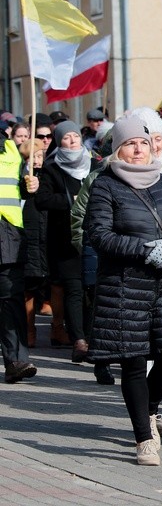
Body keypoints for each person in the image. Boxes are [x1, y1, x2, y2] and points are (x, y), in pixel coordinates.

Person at [84, 117, 162, 466]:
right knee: (133, 362)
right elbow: (99, 235)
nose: (138, 149)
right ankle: (143, 439)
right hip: (124, 286)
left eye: (144, 143)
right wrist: (145, 250)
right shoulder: (105, 186)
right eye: (130, 143)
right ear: (118, 149)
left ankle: (149, 408)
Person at [35, 121, 97, 362]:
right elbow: (43, 200)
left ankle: (92, 337)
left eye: (74, 136)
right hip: (65, 238)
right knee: (73, 288)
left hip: (92, 236)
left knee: (91, 288)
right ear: (59, 142)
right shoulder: (52, 167)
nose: (72, 141)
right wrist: (71, 199)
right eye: (66, 138)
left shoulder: (94, 163)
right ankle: (79, 340)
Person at [0, 132, 39, 383]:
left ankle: (15, 361)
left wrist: (30, 186)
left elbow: (19, 189)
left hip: (8, 234)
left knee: (10, 300)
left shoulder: (11, 149)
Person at [19, 139, 46, 349]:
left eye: (40, 156)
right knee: (27, 286)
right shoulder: (20, 176)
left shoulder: (48, 175)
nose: (37, 160)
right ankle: (28, 329)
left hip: (45, 237)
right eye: (33, 157)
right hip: (26, 235)